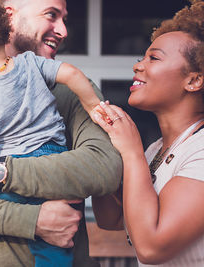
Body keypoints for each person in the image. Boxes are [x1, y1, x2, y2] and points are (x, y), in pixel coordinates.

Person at [0, 0, 122, 266]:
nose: (63, 30)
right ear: (9, 17)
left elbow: (104, 168)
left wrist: (2, 172)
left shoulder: (77, 91)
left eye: (63, 19)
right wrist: (34, 221)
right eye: (51, 15)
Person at [91, 1, 204, 266]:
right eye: (141, 57)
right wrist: (103, 147)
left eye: (153, 58)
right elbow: (113, 219)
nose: (138, 66)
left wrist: (131, 152)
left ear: (194, 80)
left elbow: (152, 247)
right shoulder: (155, 150)